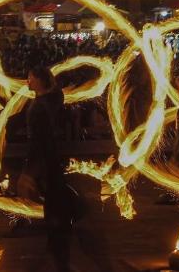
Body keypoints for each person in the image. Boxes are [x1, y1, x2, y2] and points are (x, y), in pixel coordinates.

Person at [21, 66, 113, 272]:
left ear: (39, 80)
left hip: (48, 166)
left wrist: (29, 173)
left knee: (57, 215)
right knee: (59, 210)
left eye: (30, 77)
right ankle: (65, 243)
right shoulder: (53, 100)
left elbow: (40, 143)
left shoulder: (40, 107)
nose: (27, 81)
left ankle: (65, 251)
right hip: (54, 165)